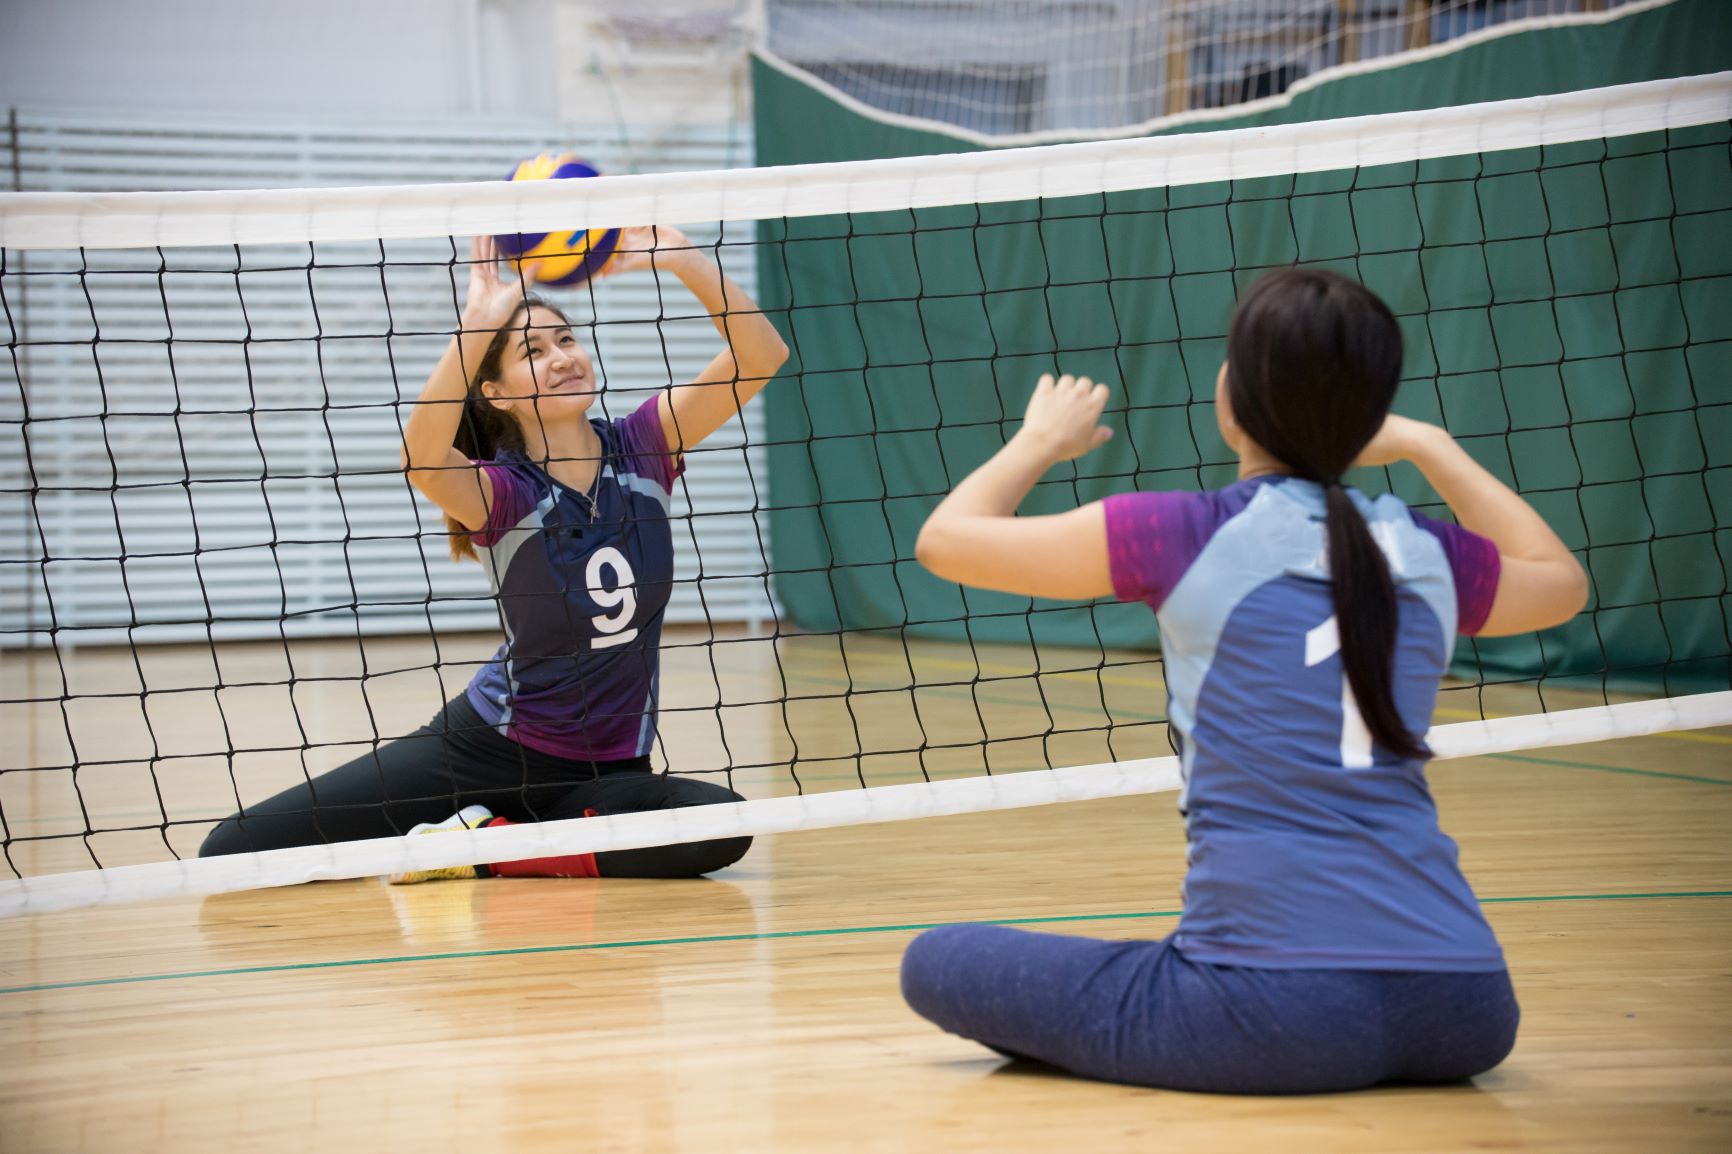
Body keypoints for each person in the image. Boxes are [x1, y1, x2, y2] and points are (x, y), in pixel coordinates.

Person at [900, 267, 1588, 1093]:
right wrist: (1427, 443)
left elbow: (947, 540)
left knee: (936, 961)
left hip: (1272, 1013)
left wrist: (1041, 440)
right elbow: (1561, 581)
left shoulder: (1179, 533)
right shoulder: (1430, 554)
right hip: (1466, 1006)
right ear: (1372, 415)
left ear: (1233, 397)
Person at [201, 224, 788, 881]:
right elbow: (422, 460)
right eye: (533, 350)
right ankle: (507, 836)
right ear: (498, 392)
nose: (564, 355)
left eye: (567, 339)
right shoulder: (504, 492)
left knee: (724, 827)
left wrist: (683, 260)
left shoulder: (646, 445)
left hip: (610, 769)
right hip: (488, 748)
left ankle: (486, 846)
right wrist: (474, 330)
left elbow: (761, 354)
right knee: (233, 852)